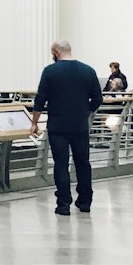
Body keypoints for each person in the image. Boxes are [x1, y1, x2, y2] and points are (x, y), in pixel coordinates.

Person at [30, 39, 103, 215]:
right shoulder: (88, 70)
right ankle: (85, 201)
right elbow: (98, 98)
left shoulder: (50, 71)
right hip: (80, 125)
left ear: (56, 52)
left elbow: (40, 99)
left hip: (57, 126)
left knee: (60, 164)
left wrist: (34, 122)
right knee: (83, 164)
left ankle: (63, 204)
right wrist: (86, 112)